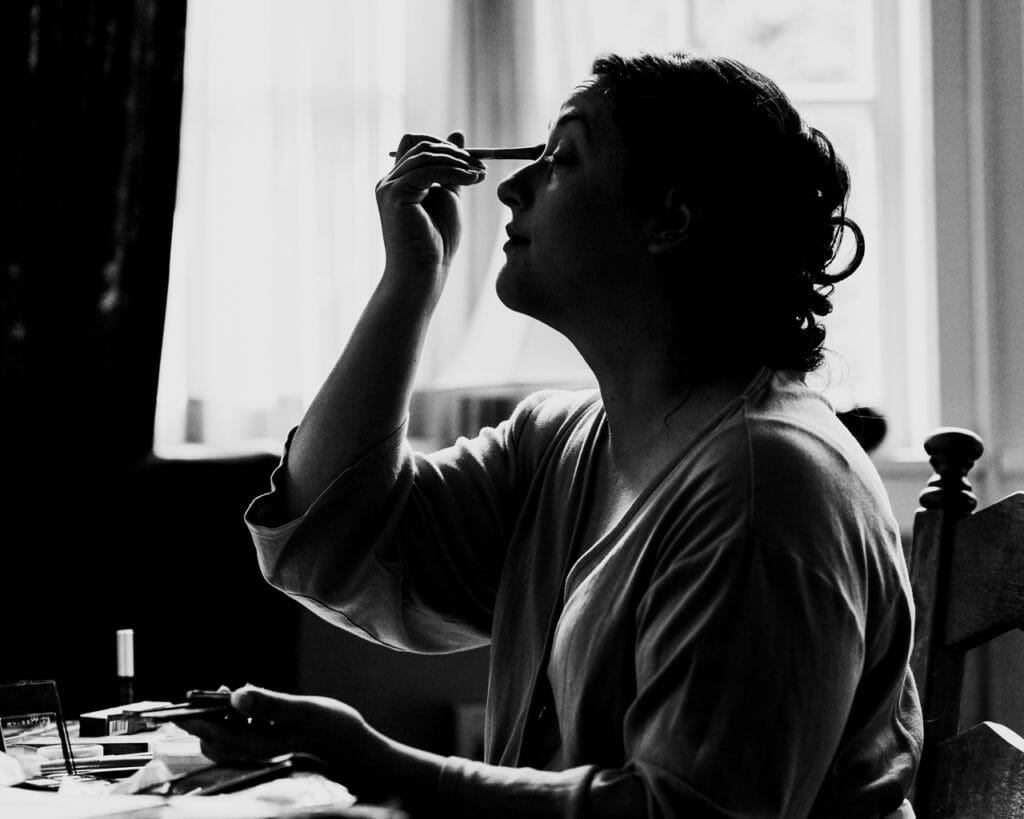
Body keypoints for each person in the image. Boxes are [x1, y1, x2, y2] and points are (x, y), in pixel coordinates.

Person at [181, 52, 923, 817]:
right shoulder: (562, 442)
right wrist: (409, 281)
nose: (510, 185)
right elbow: (329, 546)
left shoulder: (763, 490)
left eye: (562, 157)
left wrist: (387, 768)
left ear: (669, 219)